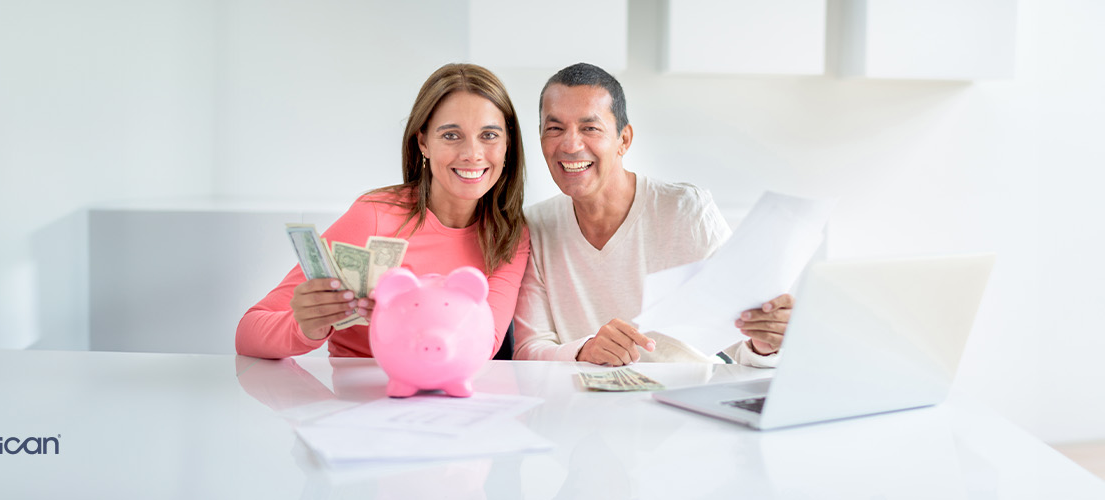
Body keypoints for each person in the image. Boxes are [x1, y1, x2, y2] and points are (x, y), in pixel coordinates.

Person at [237, 63, 530, 359]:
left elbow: (482, 344)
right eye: (451, 135)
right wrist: (306, 328)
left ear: (508, 144)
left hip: (454, 398)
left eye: (489, 135)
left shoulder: (508, 235)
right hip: (364, 401)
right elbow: (248, 333)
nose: (472, 154)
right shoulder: (374, 217)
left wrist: (406, 318)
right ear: (423, 143)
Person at [513, 63, 794, 368]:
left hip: (684, 402)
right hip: (586, 406)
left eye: (590, 128)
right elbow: (529, 348)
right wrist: (585, 350)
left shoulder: (687, 210)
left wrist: (765, 343)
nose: (570, 145)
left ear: (624, 140)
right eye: (555, 129)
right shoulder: (535, 226)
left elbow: (742, 339)